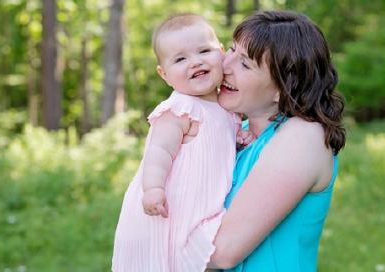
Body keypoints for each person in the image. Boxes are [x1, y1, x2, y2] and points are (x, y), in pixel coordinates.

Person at [206, 10, 347, 271]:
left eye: (245, 64)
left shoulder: (303, 137)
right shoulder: (237, 131)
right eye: (232, 50)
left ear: (282, 86)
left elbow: (221, 251)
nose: (224, 66)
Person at [112, 13, 252, 272]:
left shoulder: (227, 107)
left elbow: (215, 145)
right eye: (180, 58)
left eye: (203, 51)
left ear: (221, 52)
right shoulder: (180, 108)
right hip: (175, 207)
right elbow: (159, 151)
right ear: (164, 74)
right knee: (178, 258)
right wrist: (153, 188)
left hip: (206, 204)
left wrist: (238, 139)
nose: (195, 62)